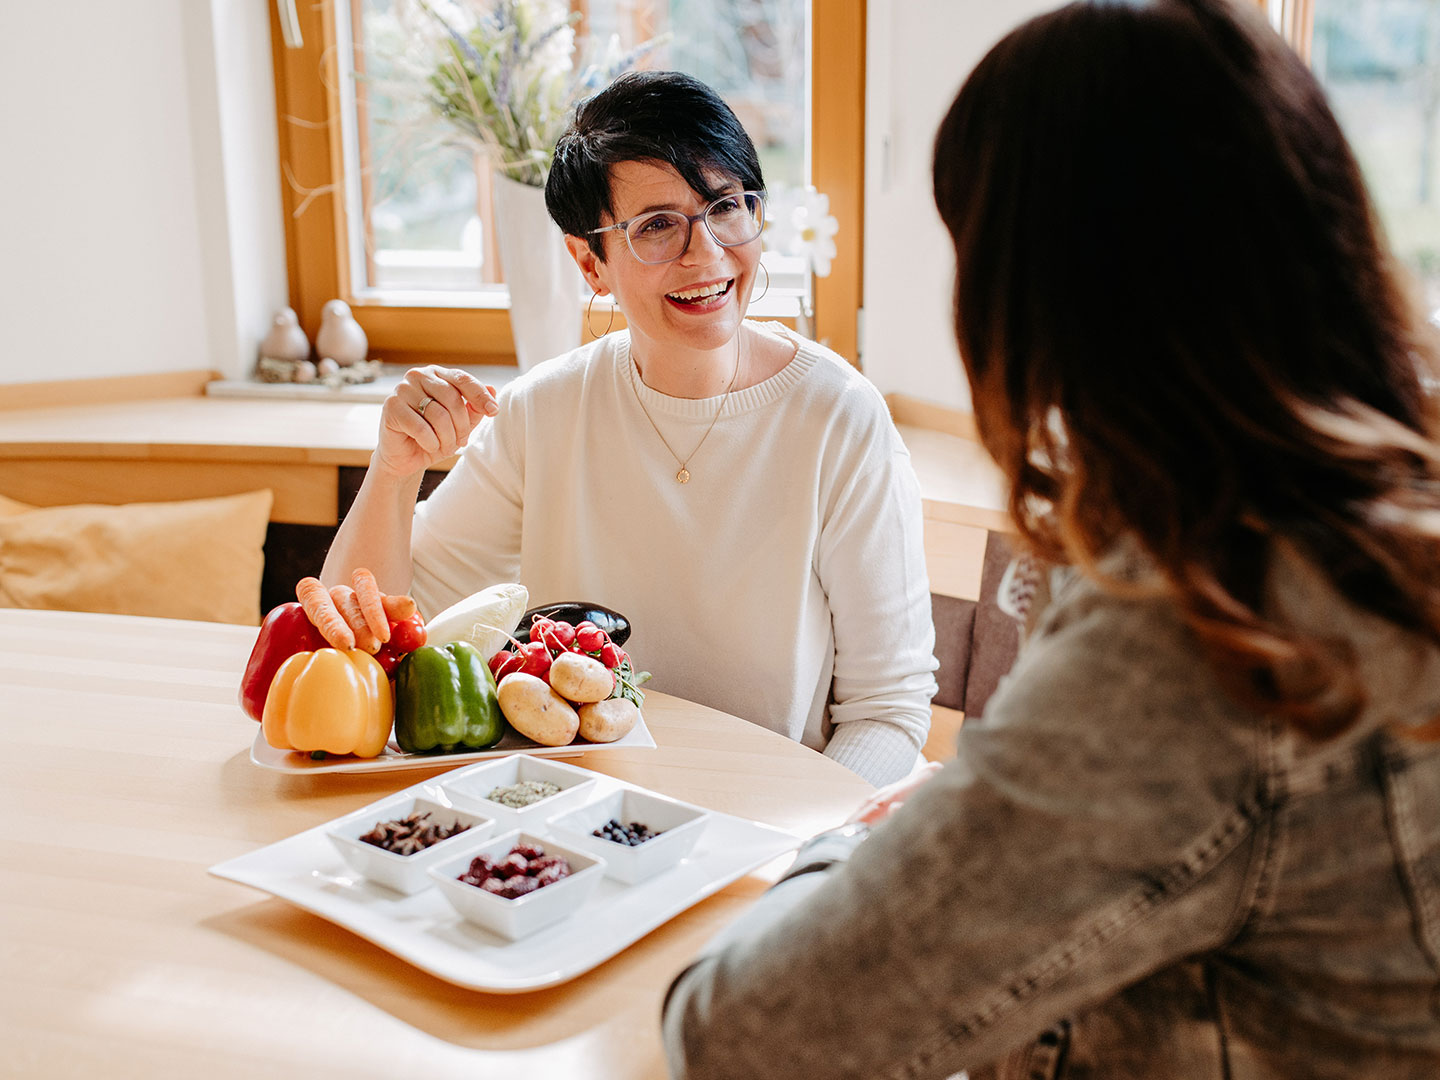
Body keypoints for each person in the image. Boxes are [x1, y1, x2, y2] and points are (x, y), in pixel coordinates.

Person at [660, 1, 1440, 1076]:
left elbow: (742, 1035)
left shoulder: (1200, 632)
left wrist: (853, 852)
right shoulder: (1384, 495)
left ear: (1045, 293)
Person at [321, 70, 938, 787]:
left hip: (771, 818)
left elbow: (888, 713)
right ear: (590, 262)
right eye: (655, 226)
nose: (705, 254)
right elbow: (369, 630)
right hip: (579, 821)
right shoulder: (543, 412)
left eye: (726, 207)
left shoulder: (838, 415)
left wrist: (797, 852)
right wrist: (394, 472)